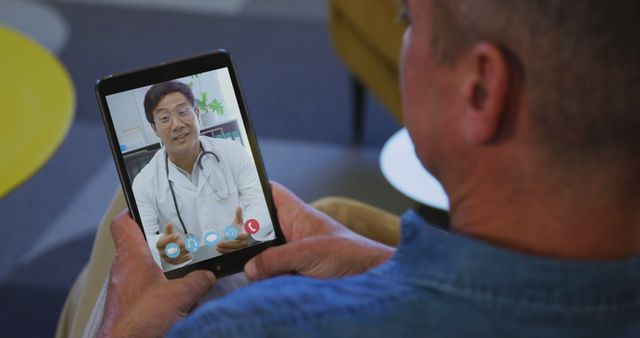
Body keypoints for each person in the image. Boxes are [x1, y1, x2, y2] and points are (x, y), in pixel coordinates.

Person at [62, 0, 640, 336]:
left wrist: (123, 330)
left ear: (481, 89)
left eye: (409, 18)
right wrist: (387, 268)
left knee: (110, 261)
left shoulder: (254, 328)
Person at [132, 81, 274, 270]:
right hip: (187, 273)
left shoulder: (233, 152)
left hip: (243, 259)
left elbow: (262, 204)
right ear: (154, 128)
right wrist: (161, 247)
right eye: (165, 118)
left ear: (197, 113)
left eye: (183, 112)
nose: (177, 125)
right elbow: (142, 240)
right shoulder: (143, 182)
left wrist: (248, 229)